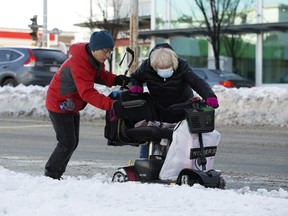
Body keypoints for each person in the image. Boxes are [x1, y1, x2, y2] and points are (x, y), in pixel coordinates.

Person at [44, 30, 130, 179]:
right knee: (67, 143)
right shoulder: (80, 62)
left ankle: (55, 175)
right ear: (95, 49)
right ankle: (51, 175)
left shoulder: (93, 60)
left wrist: (118, 80)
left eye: (110, 52)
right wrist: (112, 105)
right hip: (59, 103)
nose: (107, 55)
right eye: (106, 51)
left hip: (72, 103)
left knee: (72, 142)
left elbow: (102, 76)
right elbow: (88, 93)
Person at [129, 43, 219, 158]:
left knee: (180, 139)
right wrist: (136, 86)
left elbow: (197, 82)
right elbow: (134, 78)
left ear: (174, 63)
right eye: (160, 68)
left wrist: (209, 96)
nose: (164, 70)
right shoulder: (146, 66)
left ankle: (179, 164)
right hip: (159, 109)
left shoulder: (182, 66)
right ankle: (144, 161)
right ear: (154, 66)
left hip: (181, 108)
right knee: (150, 136)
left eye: (167, 67)